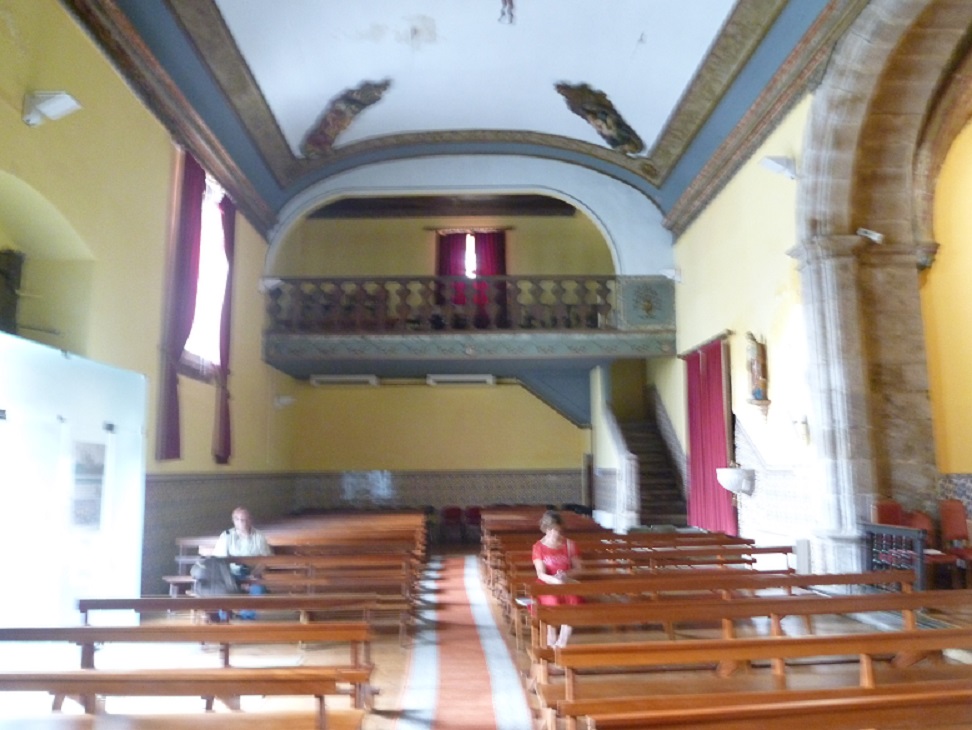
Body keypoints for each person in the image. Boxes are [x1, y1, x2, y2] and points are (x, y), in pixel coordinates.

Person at [209, 506, 273, 620]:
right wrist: (229, 578)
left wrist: (252, 575)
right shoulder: (226, 536)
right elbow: (219, 560)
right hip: (231, 574)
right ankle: (224, 615)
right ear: (234, 521)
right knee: (222, 587)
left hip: (252, 573)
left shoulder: (259, 536)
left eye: (244, 519)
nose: (241, 522)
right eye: (238, 519)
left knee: (258, 589)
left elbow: (266, 559)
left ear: (250, 520)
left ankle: (246, 615)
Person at [532, 509, 582, 648]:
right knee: (552, 601)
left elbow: (579, 568)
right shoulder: (538, 547)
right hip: (546, 583)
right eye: (553, 530)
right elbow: (541, 574)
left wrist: (566, 575)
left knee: (573, 600)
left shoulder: (570, 545)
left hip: (566, 582)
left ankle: (563, 641)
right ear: (546, 530)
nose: (557, 534)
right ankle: (551, 638)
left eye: (559, 530)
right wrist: (555, 580)